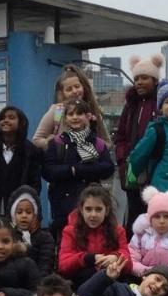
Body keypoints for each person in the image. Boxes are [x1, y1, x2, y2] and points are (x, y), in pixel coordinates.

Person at [41, 100, 116, 233]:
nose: (75, 117)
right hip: (63, 203)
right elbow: (48, 171)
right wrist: (71, 170)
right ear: (65, 118)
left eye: (79, 113)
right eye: (70, 114)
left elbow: (108, 168)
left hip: (91, 202)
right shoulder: (57, 142)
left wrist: (83, 169)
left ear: (86, 116)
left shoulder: (97, 142)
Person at [114, 53, 163, 232]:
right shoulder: (131, 106)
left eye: (144, 78)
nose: (139, 82)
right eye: (136, 79)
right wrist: (123, 158)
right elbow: (120, 136)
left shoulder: (162, 103)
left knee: (157, 215)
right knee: (134, 216)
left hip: (155, 169)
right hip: (133, 169)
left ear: (155, 80)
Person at [128, 81, 168, 204]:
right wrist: (141, 174)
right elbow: (137, 155)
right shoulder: (156, 130)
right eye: (167, 102)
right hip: (162, 185)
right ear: (160, 108)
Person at [57, 184, 132, 287]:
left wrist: (116, 257)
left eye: (98, 209)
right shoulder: (70, 231)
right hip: (82, 285)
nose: (93, 215)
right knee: (88, 273)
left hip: (111, 282)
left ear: (107, 210)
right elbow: (63, 265)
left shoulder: (118, 231)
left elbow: (129, 263)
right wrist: (87, 259)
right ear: (81, 210)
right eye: (88, 209)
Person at [32, 65, 110, 149]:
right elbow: (36, 140)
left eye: (77, 86)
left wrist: (92, 147)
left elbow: (108, 143)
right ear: (63, 93)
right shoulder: (57, 111)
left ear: (83, 87)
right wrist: (56, 145)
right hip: (62, 161)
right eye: (69, 89)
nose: (75, 91)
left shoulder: (94, 111)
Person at [8, 187, 56, 277]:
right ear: (13, 215)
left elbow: (45, 266)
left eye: (28, 212)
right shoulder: (8, 237)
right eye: (19, 212)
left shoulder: (45, 238)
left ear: (35, 214)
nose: (24, 216)